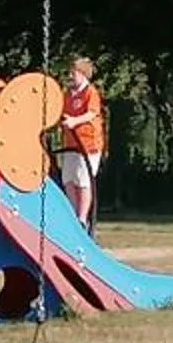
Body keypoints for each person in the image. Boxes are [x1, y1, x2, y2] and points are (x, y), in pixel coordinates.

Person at [53, 55, 107, 227]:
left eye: (73, 73)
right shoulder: (67, 94)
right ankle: (72, 214)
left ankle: (82, 218)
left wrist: (75, 121)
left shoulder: (90, 93)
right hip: (70, 145)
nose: (70, 76)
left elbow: (91, 113)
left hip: (88, 145)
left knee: (83, 181)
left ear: (83, 74)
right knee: (69, 179)